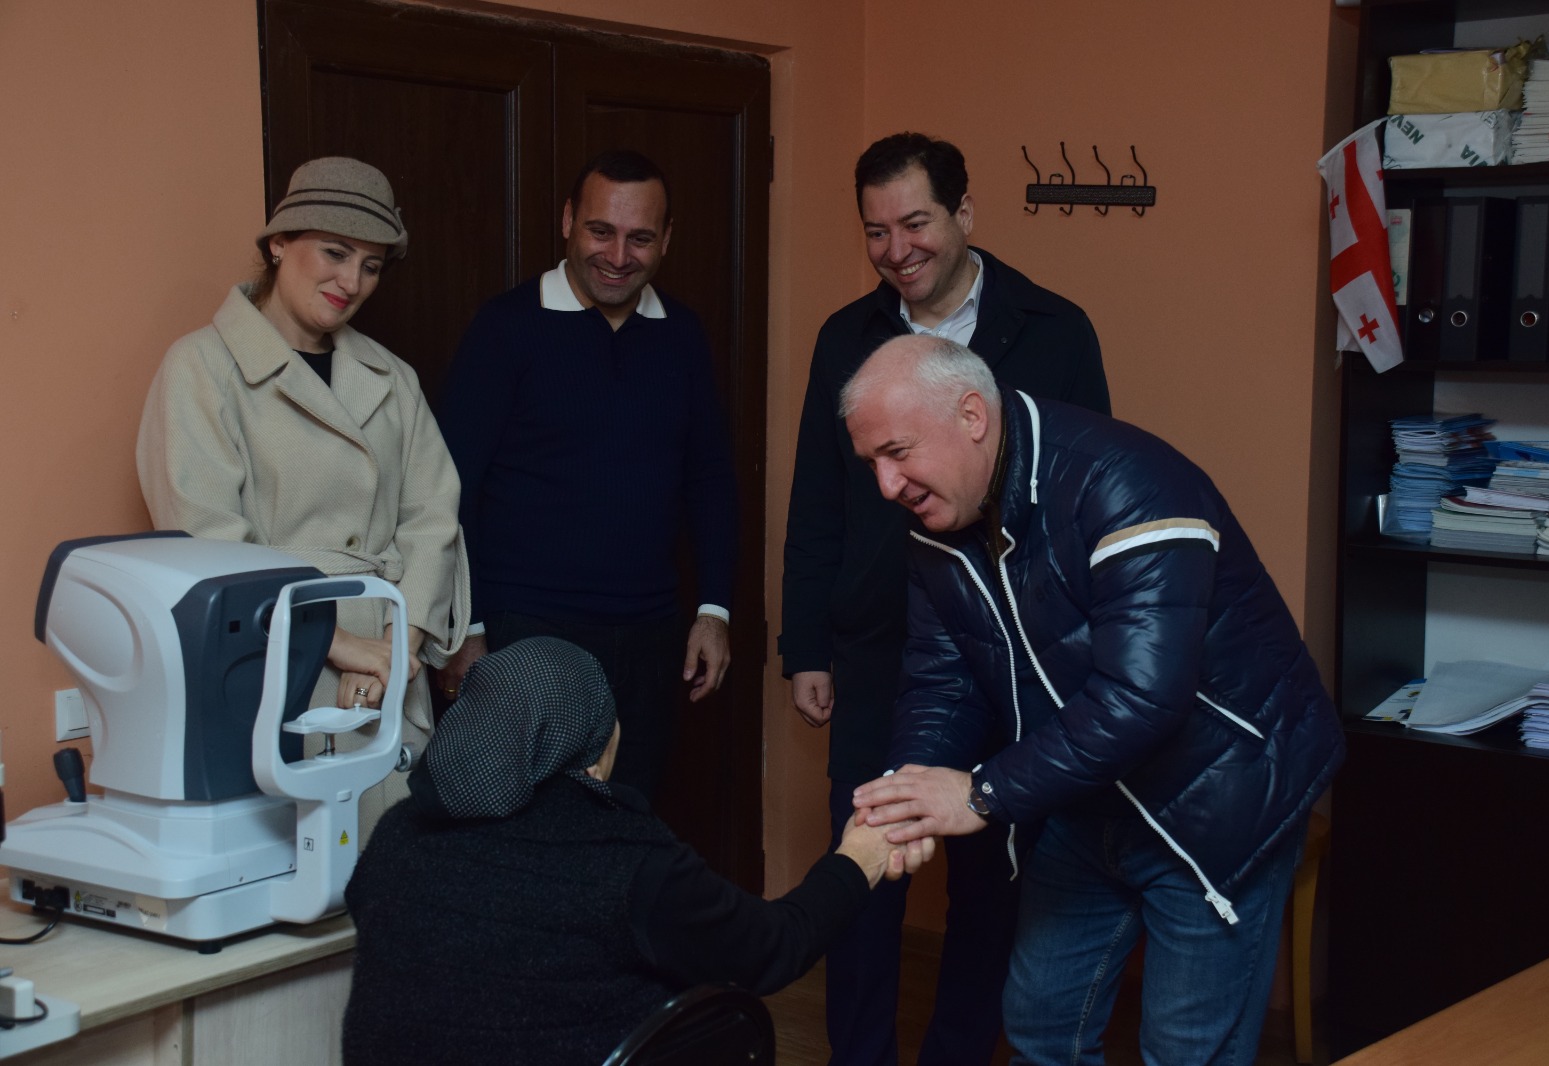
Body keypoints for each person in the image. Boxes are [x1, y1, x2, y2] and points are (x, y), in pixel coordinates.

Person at [847, 336, 1346, 1066]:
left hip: (1218, 800)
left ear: (972, 416)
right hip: (1085, 796)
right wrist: (907, 795)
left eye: (897, 453)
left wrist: (981, 794)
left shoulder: (1128, 482)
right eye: (872, 464)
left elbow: (1143, 697)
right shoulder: (938, 522)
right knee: (1041, 1025)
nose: (887, 485)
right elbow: (941, 681)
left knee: (1186, 1052)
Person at [780, 132, 1111, 1064]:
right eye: (875, 231)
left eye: (915, 223)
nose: (896, 250)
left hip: (1011, 653)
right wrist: (805, 646)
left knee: (992, 885)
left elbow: (1082, 496)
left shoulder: (1054, 330)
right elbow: (817, 500)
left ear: (965, 213)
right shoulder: (845, 337)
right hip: (879, 651)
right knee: (866, 870)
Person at [341, 637, 932, 1065]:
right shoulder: (624, 862)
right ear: (596, 758)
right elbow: (774, 947)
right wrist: (860, 856)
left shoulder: (399, 832)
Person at [136, 157, 469, 837]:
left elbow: (433, 519)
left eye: (371, 266)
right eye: (335, 253)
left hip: (387, 669)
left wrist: (393, 651)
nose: (351, 282)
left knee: (393, 869)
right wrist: (337, 645)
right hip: (273, 670)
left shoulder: (391, 378)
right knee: (294, 870)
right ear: (279, 243)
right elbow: (205, 546)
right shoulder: (201, 369)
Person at [438, 150, 737, 800]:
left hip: (651, 638)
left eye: (640, 238)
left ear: (667, 239)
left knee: (628, 824)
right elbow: (452, 488)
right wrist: (467, 629)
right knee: (528, 829)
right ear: (568, 221)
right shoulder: (504, 328)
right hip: (526, 634)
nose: (619, 256)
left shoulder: (683, 334)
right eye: (601, 231)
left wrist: (714, 610)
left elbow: (711, 478)